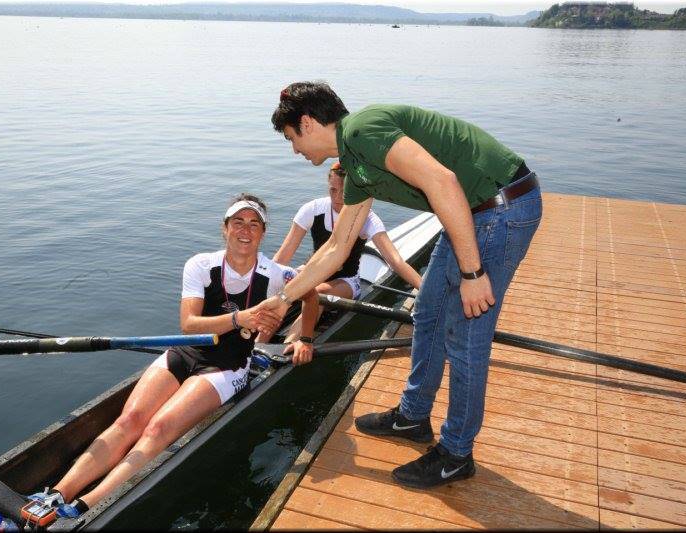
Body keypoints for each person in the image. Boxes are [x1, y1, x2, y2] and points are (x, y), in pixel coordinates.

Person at [257, 82, 542, 489]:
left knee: (465, 336)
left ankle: (456, 454)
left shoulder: (363, 130)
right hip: (469, 212)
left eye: (291, 139)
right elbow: (337, 248)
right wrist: (283, 299)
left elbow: (442, 182)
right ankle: (412, 418)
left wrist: (473, 274)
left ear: (306, 123)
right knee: (427, 313)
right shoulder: (354, 162)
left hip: (501, 208)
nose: (295, 151)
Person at [29, 194, 319, 517]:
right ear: (225, 229)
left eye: (254, 224)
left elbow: (311, 295)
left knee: (158, 429)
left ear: (263, 233)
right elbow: (188, 324)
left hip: (228, 365)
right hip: (185, 351)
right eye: (238, 222)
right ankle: (56, 494)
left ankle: (86, 505)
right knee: (129, 421)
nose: (245, 230)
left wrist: (304, 338)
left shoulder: (278, 274)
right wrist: (242, 318)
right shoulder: (200, 265)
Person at [273, 160, 422, 304]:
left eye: (344, 192)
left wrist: (423, 290)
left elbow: (396, 262)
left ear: (353, 191)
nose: (337, 198)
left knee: (315, 293)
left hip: (347, 282)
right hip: (313, 273)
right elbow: (283, 257)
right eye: (333, 190)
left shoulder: (368, 218)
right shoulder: (312, 209)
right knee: (282, 281)